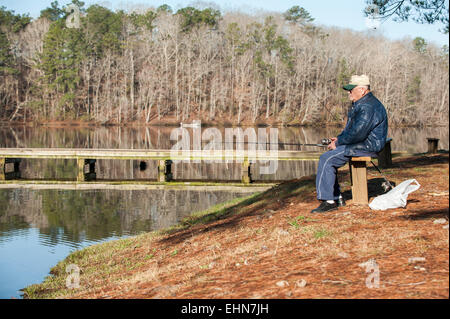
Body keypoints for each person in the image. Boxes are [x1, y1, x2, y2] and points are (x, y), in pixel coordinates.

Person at [311, 74, 388, 213]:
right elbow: (352, 130)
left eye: (351, 89)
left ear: (363, 90)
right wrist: (338, 140)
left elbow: (358, 133)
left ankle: (328, 202)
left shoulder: (367, 106)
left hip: (367, 146)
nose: (349, 92)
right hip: (362, 143)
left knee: (326, 159)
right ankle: (337, 197)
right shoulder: (362, 103)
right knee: (329, 157)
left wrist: (339, 142)